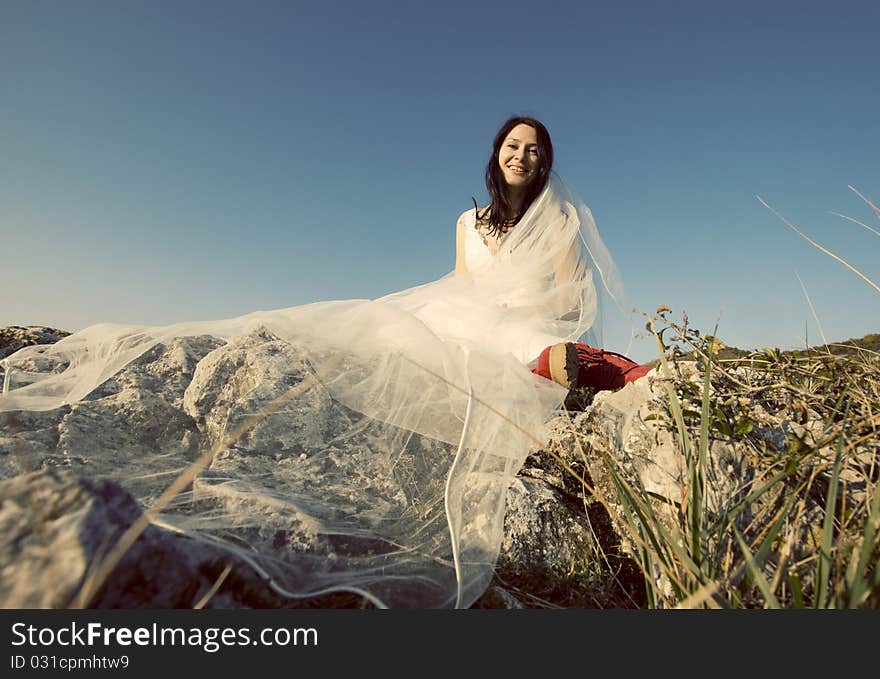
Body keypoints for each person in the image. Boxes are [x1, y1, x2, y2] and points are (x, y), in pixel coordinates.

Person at [0, 116, 633, 609]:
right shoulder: (467, 221)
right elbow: (464, 286)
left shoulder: (562, 219)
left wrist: (509, 303)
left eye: (534, 149)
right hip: (479, 319)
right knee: (424, 322)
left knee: (497, 328)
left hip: (531, 319)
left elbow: (571, 294)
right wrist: (485, 305)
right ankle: (549, 363)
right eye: (513, 146)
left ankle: (554, 359)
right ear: (497, 154)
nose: (523, 156)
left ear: (545, 161)